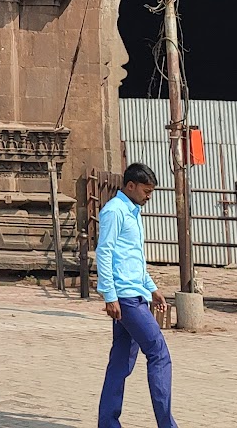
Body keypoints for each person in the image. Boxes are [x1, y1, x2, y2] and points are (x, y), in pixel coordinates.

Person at [96, 163, 177, 428]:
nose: (149, 196)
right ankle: (167, 424)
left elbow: (133, 259)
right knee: (159, 354)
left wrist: (152, 288)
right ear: (130, 186)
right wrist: (109, 295)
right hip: (126, 299)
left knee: (120, 363)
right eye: (146, 190)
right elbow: (104, 253)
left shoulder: (133, 212)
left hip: (136, 294)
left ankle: (108, 423)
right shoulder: (114, 212)